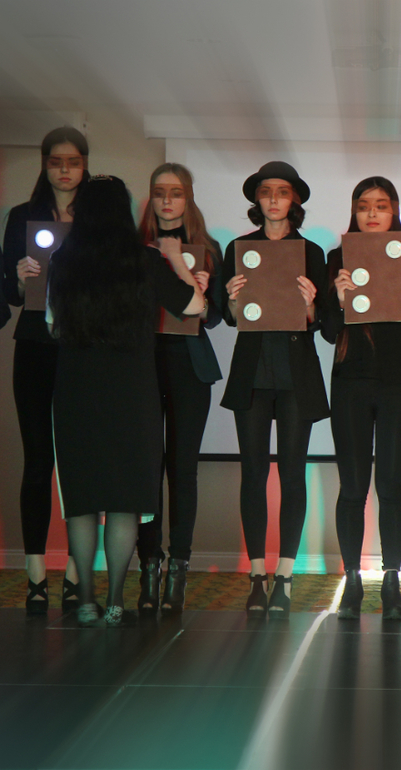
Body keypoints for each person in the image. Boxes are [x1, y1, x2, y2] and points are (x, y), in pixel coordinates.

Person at [47, 175, 204, 626]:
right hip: (132, 393)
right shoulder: (145, 260)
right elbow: (194, 305)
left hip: (75, 392)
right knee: (124, 499)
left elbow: (53, 324)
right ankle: (116, 601)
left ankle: (86, 601)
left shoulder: (62, 261)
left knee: (82, 500)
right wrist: (179, 264)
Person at [222, 161, 328, 617]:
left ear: (294, 200)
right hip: (252, 372)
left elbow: (319, 322)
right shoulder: (238, 248)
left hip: (295, 374)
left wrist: (310, 304)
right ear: (257, 199)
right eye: (266, 191)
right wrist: (232, 299)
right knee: (252, 473)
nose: (273, 199)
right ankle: (256, 575)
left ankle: (284, 574)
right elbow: (231, 317)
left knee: (292, 473)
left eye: (282, 191)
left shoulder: (312, 252)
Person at [322, 177, 401, 620]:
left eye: (381, 205)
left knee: (390, 486)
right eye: (363, 205)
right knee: (352, 488)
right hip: (351, 383)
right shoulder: (337, 259)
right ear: (354, 211)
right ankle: (352, 580)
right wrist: (338, 298)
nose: (371, 213)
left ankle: (391, 581)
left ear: (394, 211)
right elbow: (328, 331)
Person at [1, 126, 90, 613]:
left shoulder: (97, 216)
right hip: (35, 344)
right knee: (38, 461)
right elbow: (10, 295)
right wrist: (18, 279)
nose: (64, 169)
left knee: (79, 460)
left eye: (73, 161)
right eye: (56, 161)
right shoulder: (22, 216)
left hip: (83, 349)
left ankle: (77, 570)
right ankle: (35, 572)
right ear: (44, 165)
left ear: (84, 165)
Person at [135, 163, 223, 614]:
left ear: (188, 198)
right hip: (142, 365)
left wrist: (196, 283)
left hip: (189, 366)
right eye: (159, 192)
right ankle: (149, 567)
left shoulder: (208, 249)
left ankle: (179, 571)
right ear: (150, 198)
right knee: (147, 470)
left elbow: (214, 316)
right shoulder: (132, 248)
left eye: (176, 192)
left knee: (182, 470)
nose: (167, 200)